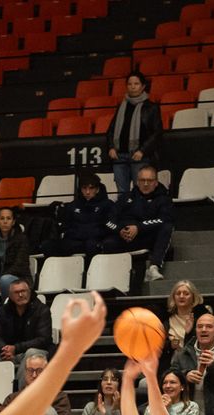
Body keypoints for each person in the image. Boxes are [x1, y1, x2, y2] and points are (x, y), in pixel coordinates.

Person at [105, 163, 175, 281]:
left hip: (147, 237)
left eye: (150, 180)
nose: (146, 184)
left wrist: (138, 228)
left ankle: (153, 268)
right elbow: (108, 220)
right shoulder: (125, 198)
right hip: (125, 237)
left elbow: (164, 219)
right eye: (142, 180)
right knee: (106, 243)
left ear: (156, 182)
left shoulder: (164, 200)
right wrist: (119, 230)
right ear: (137, 182)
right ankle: (111, 277)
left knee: (166, 227)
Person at [103, 72, 163, 200]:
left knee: (140, 190)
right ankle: (124, 218)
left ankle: (139, 217)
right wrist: (111, 147)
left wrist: (142, 150)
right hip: (119, 156)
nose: (132, 87)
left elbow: (157, 133)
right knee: (122, 192)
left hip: (140, 157)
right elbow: (111, 130)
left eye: (136, 84)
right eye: (130, 84)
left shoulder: (151, 107)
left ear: (143, 86)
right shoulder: (121, 106)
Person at [44, 172, 114, 257]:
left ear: (97, 189)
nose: (87, 192)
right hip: (75, 241)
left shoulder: (107, 204)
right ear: (80, 189)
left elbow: (109, 227)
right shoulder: (72, 206)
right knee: (48, 245)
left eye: (91, 188)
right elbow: (66, 227)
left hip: (95, 241)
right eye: (84, 188)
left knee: (92, 245)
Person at [1, 350, 72, 415]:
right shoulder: (12, 399)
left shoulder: (59, 397)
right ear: (25, 372)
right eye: (30, 370)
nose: (34, 375)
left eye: (39, 371)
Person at [0, 279, 53, 366]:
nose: (20, 295)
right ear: (10, 295)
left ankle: (22, 380)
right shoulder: (2, 311)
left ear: (29, 292)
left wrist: (16, 348)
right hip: (11, 352)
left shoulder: (42, 310)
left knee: (31, 353)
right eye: (16, 292)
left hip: (37, 351)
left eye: (23, 291)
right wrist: (4, 349)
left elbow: (43, 339)